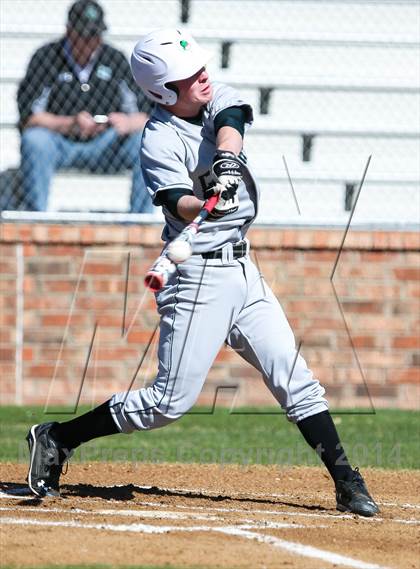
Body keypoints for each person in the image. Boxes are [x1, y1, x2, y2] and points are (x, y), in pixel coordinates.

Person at [25, 28, 379, 517]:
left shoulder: (214, 97)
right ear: (162, 92)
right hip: (196, 278)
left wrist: (228, 163)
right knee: (167, 403)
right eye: (188, 78)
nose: (202, 79)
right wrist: (204, 203)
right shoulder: (157, 140)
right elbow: (177, 202)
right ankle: (59, 437)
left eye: (198, 70)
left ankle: (346, 480)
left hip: (242, 267)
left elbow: (230, 118)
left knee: (294, 376)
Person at [17, 0, 153, 213]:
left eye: (96, 34)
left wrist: (126, 122)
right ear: (69, 31)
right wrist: (69, 123)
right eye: (84, 35)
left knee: (147, 140)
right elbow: (29, 117)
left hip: (107, 144)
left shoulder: (114, 58)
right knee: (35, 140)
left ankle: (139, 222)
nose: (91, 41)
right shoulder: (46, 57)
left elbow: (146, 114)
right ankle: (37, 219)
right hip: (60, 143)